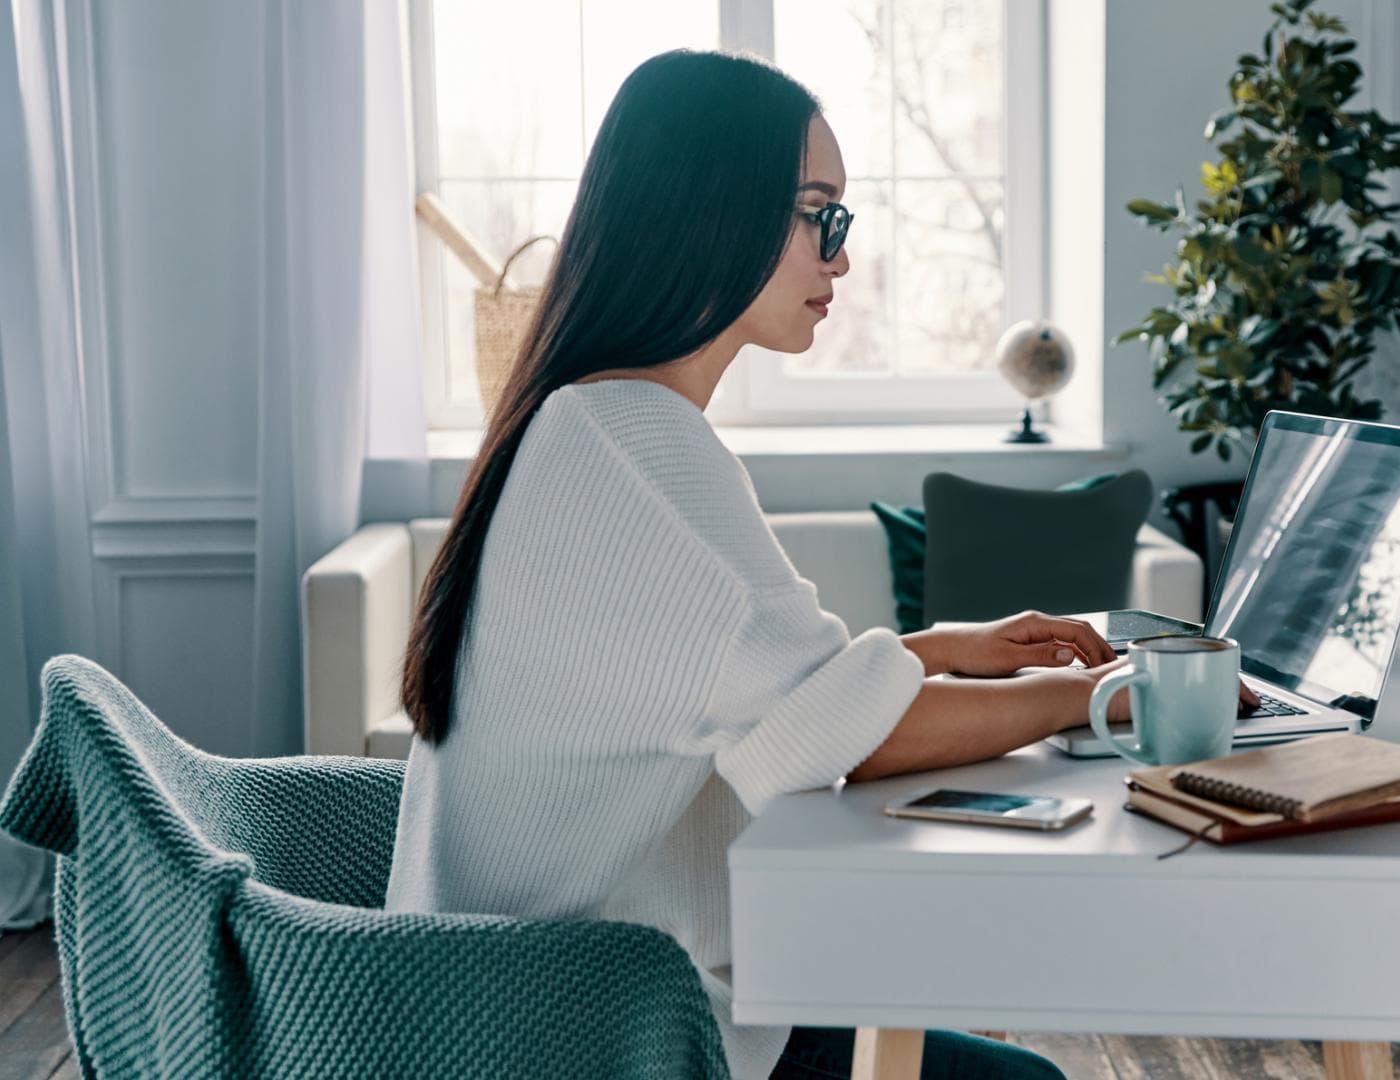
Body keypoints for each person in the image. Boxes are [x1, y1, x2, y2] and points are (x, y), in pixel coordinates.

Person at [385, 49, 1224, 1080]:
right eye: (815, 213)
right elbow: (849, 743)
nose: (839, 256)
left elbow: (751, 695)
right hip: (592, 1032)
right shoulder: (637, 444)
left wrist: (939, 651)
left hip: (519, 1007)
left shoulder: (584, 421)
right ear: (711, 210)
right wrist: (1093, 697)